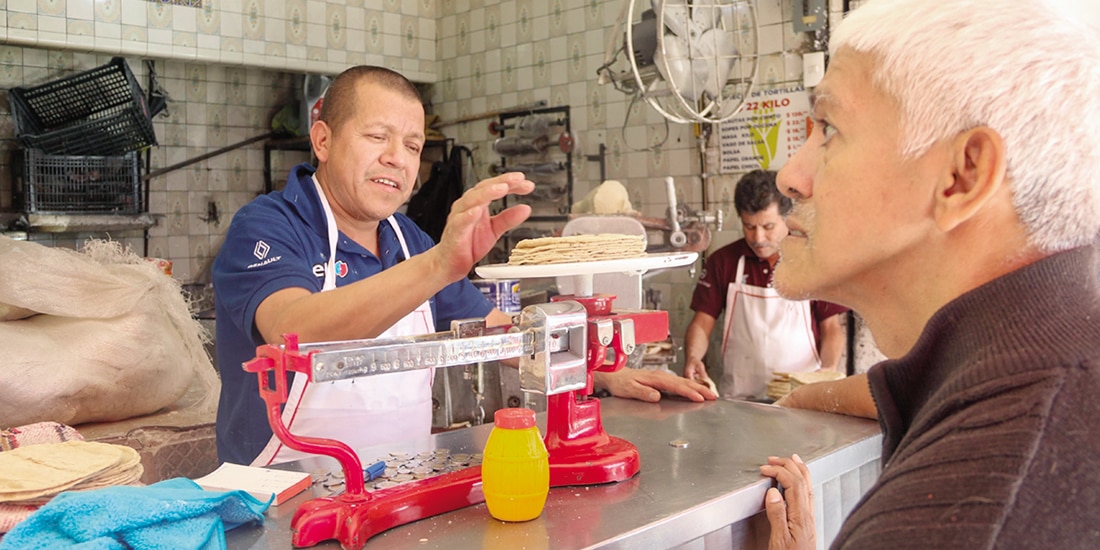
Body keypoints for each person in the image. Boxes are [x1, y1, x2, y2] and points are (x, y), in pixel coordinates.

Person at [213, 66, 714, 466]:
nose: (397, 159)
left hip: (400, 480)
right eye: (377, 136)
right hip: (284, 495)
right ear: (322, 141)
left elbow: (502, 334)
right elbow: (292, 331)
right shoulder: (269, 224)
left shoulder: (407, 240)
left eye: (412, 146)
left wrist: (600, 375)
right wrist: (438, 265)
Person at [756, 1, 1100, 549]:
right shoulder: (1056, 357)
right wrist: (795, 404)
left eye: (829, 128)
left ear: (962, 176)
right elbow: (898, 387)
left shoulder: (957, 517)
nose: (790, 177)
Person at [682, 170, 848, 401]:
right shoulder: (723, 262)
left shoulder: (811, 260)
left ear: (787, 219)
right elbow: (702, 323)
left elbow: (831, 328)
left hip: (800, 397)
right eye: (749, 226)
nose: (758, 238)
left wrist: (828, 370)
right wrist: (693, 357)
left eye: (768, 227)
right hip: (741, 401)